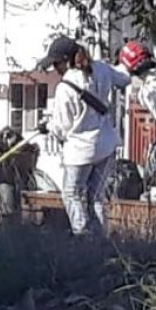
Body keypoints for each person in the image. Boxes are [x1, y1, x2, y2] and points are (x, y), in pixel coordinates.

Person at [37, 36, 131, 236]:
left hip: (80, 151)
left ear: (66, 60)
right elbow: (124, 78)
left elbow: (62, 128)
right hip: (106, 145)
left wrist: (48, 127)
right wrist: (126, 57)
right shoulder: (102, 69)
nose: (55, 69)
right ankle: (100, 239)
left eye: (56, 64)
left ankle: (82, 235)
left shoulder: (65, 88)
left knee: (71, 194)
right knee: (95, 196)